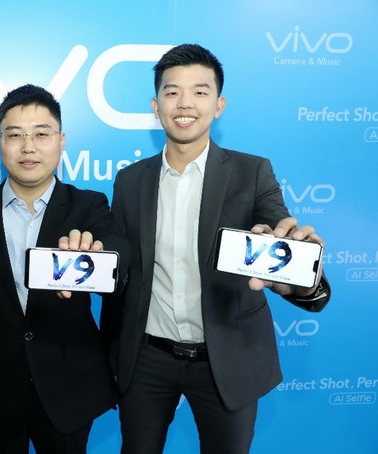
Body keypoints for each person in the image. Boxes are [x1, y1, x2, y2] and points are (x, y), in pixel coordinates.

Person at [103, 44, 331, 454]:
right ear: (156, 106)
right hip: (147, 359)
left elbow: (279, 233)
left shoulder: (251, 171)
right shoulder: (130, 180)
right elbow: (122, 275)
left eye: (200, 91)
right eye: (172, 92)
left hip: (228, 358)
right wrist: (113, 357)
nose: (185, 103)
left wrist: (297, 264)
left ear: (218, 105)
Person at [0, 84, 130, 454]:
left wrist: (100, 257)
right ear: (1, 143)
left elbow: (117, 250)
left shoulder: (89, 206)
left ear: (61, 141)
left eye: (41, 134)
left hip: (68, 389)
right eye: (15, 135)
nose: (28, 147)